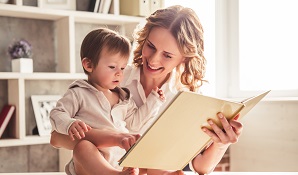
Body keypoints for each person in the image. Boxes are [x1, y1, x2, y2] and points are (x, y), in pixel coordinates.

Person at [50, 5, 244, 175]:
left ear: (184, 58)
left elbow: (200, 167)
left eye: (167, 55)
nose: (153, 60)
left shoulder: (185, 98)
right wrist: (115, 139)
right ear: (143, 40)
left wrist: (221, 143)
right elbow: (57, 138)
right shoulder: (113, 77)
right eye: (150, 46)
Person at [49, 28, 167, 175]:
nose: (119, 73)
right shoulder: (78, 93)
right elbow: (57, 113)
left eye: (123, 68)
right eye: (112, 67)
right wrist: (69, 124)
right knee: (83, 147)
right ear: (88, 65)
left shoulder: (123, 98)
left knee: (146, 146)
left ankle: (163, 173)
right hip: (90, 166)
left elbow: (135, 124)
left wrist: (154, 101)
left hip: (119, 160)